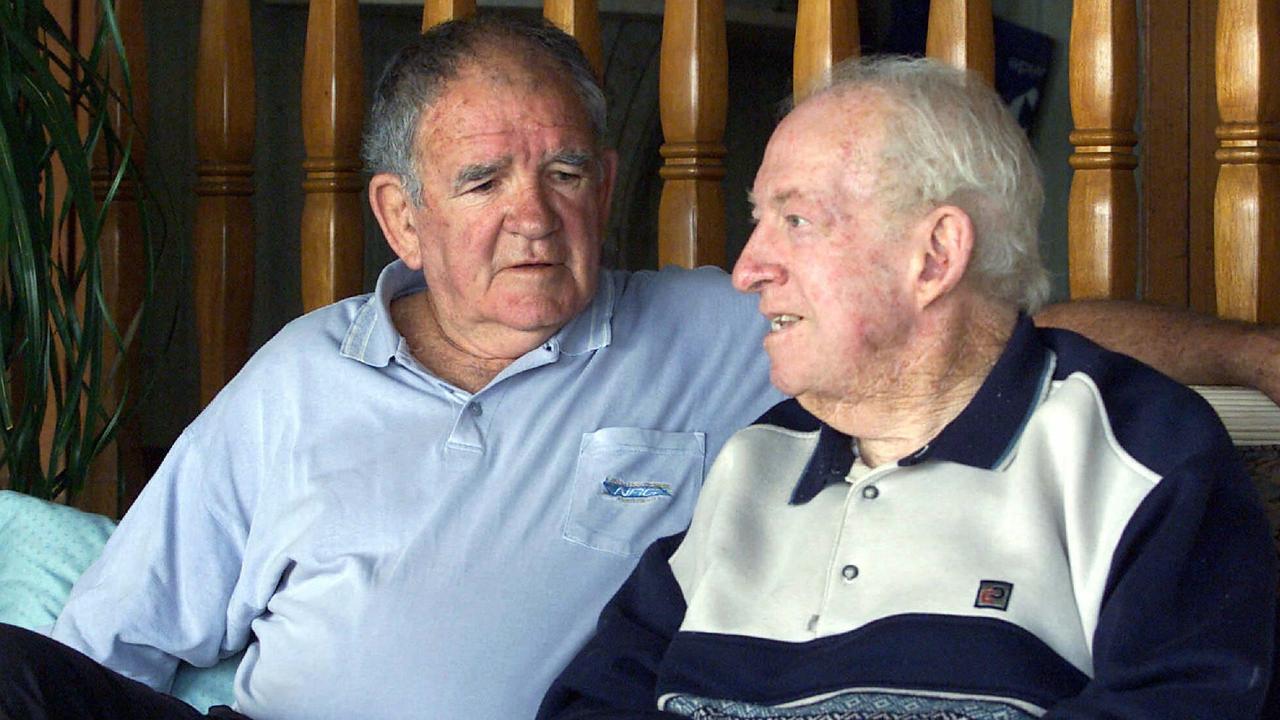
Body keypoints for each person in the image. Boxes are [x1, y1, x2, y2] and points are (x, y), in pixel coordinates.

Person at [0, 16, 1275, 720]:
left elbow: (984, 339)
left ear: (605, 188)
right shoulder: (294, 378)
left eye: (563, 173)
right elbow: (117, 641)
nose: (532, 215)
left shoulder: (737, 339)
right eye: (483, 180)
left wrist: (1244, 354)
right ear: (399, 218)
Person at [537, 55, 1278, 720]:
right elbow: (598, 696)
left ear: (935, 255)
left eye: (796, 220)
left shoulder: (1138, 457)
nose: (748, 268)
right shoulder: (759, 458)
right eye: (759, 220)